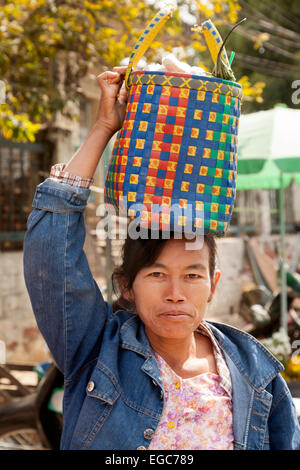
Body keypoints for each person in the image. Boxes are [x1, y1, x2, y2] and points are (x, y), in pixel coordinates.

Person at [23, 66, 300, 450]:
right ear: (127, 285)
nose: (175, 293)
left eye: (192, 275)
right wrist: (104, 126)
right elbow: (51, 255)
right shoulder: (95, 350)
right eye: (156, 275)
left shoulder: (255, 371)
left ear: (213, 285)